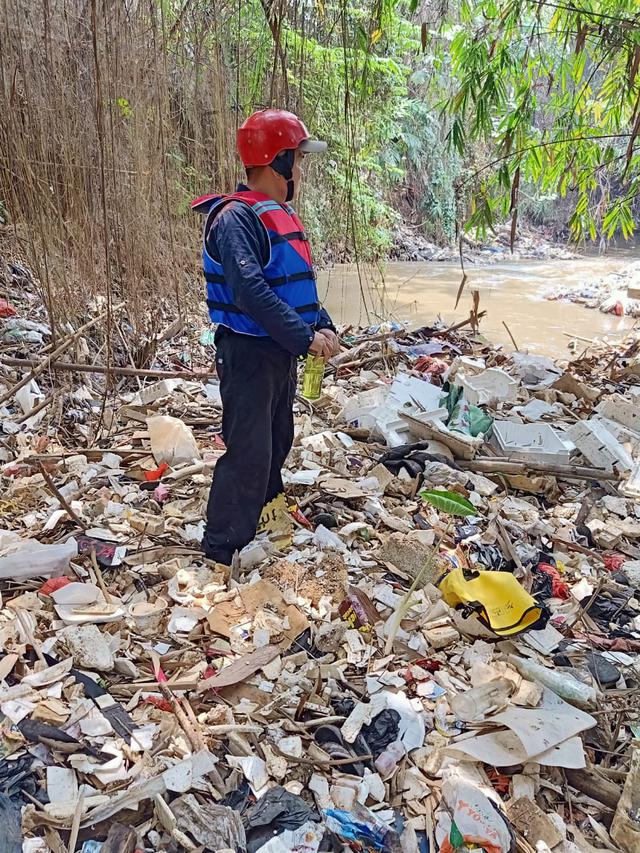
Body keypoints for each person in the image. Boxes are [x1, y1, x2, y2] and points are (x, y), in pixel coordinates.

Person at [192, 108, 339, 565]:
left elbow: (292, 286)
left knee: (277, 438)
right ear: (276, 162)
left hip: (277, 352)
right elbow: (250, 290)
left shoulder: (277, 215)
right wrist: (304, 338)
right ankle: (221, 547)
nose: (300, 170)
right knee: (249, 449)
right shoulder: (236, 219)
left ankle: (264, 513)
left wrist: (323, 324)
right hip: (248, 352)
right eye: (296, 159)